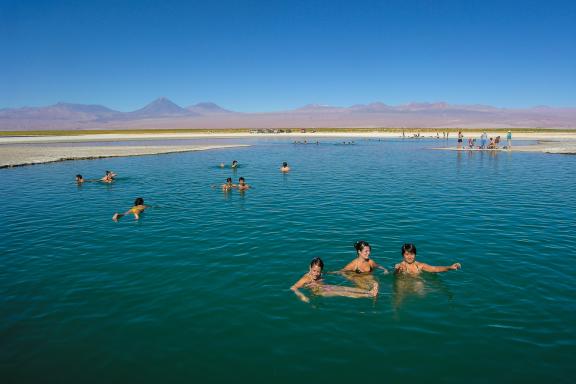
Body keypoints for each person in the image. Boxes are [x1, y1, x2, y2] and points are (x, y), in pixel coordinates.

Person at [291, 257, 379, 303]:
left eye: (318, 271)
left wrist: (339, 272)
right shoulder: (306, 278)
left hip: (326, 287)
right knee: (344, 293)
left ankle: (369, 291)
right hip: (320, 292)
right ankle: (369, 295)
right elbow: (293, 287)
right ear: (310, 268)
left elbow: (327, 273)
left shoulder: (320, 274)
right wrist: (303, 296)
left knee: (345, 288)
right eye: (314, 270)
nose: (316, 273)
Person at [395, 243, 461, 274]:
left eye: (412, 254)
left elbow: (435, 269)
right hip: (404, 284)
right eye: (407, 254)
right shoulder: (401, 266)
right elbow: (395, 275)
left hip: (416, 284)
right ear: (403, 255)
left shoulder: (420, 266)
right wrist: (397, 270)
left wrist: (449, 267)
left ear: (415, 255)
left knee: (420, 286)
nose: (409, 257)